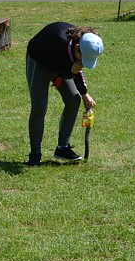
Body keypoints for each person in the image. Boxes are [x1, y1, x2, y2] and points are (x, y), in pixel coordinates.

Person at [25, 22, 103, 166]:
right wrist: (73, 70)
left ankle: (63, 148)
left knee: (74, 100)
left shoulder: (82, 42)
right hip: (40, 61)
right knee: (40, 106)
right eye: (82, 59)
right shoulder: (62, 43)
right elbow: (65, 71)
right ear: (78, 47)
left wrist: (84, 94)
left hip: (58, 62)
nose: (83, 63)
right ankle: (35, 154)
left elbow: (76, 67)